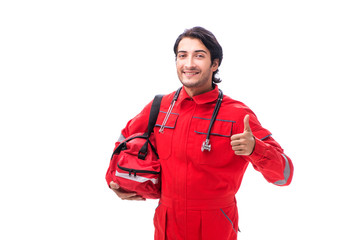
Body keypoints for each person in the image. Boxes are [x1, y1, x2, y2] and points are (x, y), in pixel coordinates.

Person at [108, 26, 294, 240]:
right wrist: (115, 182)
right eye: (182, 55)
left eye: (199, 56)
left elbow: (284, 175)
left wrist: (255, 148)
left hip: (215, 227)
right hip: (167, 226)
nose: (189, 64)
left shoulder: (236, 114)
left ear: (215, 64)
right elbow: (124, 143)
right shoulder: (161, 107)